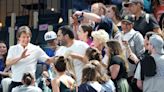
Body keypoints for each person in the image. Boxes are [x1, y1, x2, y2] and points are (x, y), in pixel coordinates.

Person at [6, 26, 52, 92]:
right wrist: (20, 57)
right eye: (23, 37)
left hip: (31, 83)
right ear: (19, 38)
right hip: (16, 81)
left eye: (28, 37)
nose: (26, 39)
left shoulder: (36, 48)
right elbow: (8, 63)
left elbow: (48, 60)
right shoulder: (13, 49)